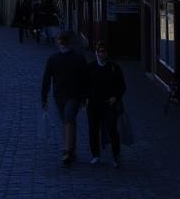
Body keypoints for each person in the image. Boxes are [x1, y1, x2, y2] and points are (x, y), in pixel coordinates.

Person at [41, 30, 88, 166]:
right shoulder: (53, 59)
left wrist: (84, 97)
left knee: (68, 118)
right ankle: (71, 147)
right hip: (59, 95)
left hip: (74, 95)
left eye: (62, 41)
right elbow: (46, 79)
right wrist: (44, 97)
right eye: (59, 41)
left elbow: (85, 79)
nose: (60, 44)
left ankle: (67, 150)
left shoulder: (78, 58)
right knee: (67, 120)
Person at [86, 41, 126, 167]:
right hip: (93, 104)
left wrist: (116, 97)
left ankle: (116, 155)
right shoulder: (90, 67)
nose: (102, 54)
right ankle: (95, 155)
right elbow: (84, 85)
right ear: (96, 53)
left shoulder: (114, 68)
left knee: (111, 129)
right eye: (99, 52)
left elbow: (122, 86)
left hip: (109, 103)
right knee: (93, 129)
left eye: (104, 52)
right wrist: (85, 99)